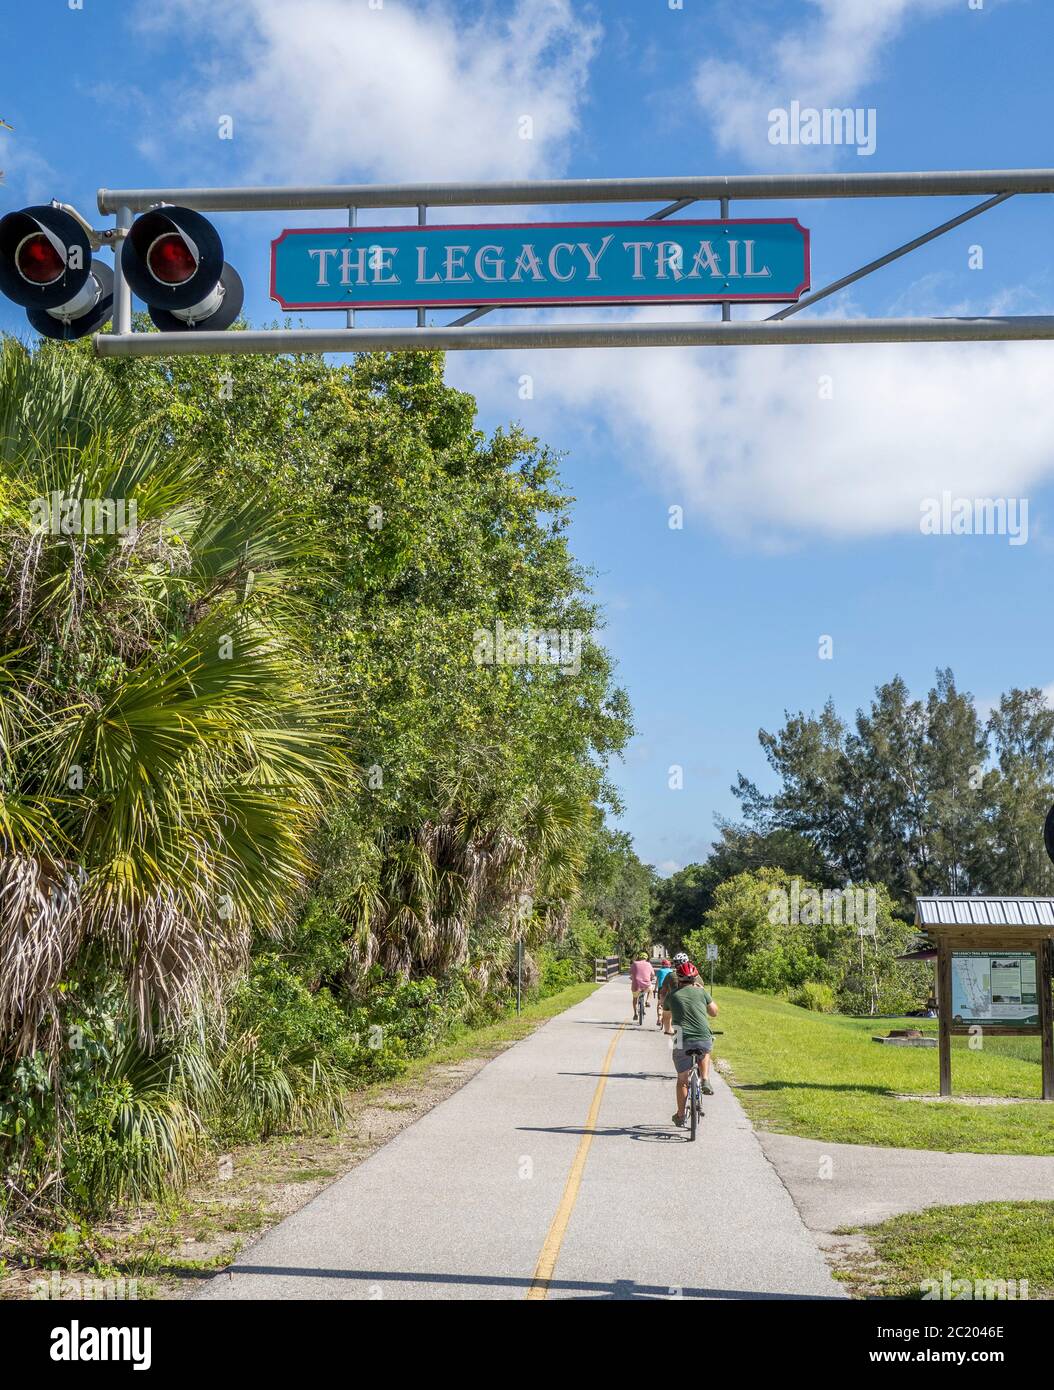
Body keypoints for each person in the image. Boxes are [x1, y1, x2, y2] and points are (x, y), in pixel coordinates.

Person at [666, 961, 719, 1127]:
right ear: (695, 978)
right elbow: (714, 1012)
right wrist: (703, 993)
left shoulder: (672, 995)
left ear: (678, 978)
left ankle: (681, 1115)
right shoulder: (701, 992)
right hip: (702, 1035)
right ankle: (705, 1078)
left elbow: (666, 1017)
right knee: (705, 1048)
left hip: (681, 1037)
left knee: (682, 1079)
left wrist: (668, 1030)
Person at [629, 954, 655, 1019]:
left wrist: (632, 977)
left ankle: (635, 1014)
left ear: (639, 957)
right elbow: (653, 974)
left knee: (635, 998)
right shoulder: (649, 964)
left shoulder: (634, 963)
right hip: (646, 986)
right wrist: (652, 978)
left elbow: (630, 972)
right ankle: (647, 1001)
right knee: (651, 988)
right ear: (646, 958)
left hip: (636, 986)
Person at [653, 958, 674, 1029]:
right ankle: (669, 1020)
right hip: (669, 989)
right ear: (669, 965)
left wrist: (655, 989)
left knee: (659, 1004)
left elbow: (657, 981)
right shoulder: (671, 971)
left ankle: (659, 1019)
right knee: (669, 1004)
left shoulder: (660, 971)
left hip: (661, 988)